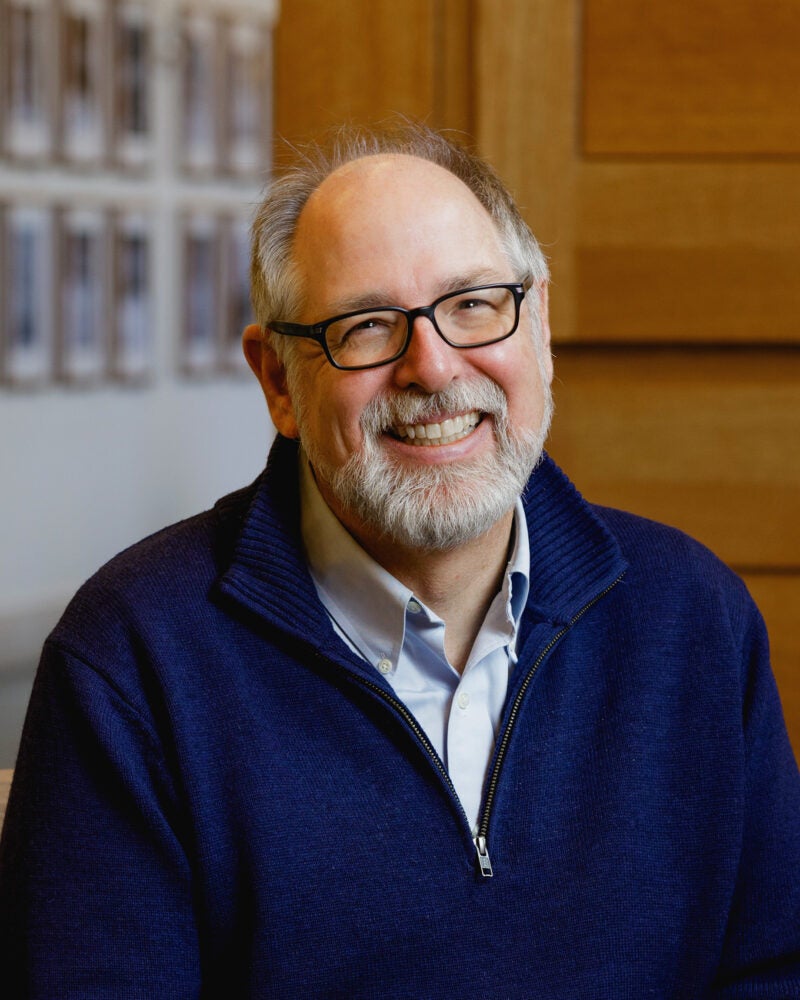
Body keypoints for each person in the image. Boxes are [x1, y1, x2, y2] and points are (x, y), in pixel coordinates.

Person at [1, 121, 799, 998]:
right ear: (278, 381)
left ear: (538, 326)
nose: (432, 365)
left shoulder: (694, 617)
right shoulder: (132, 659)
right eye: (367, 324)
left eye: (473, 304)